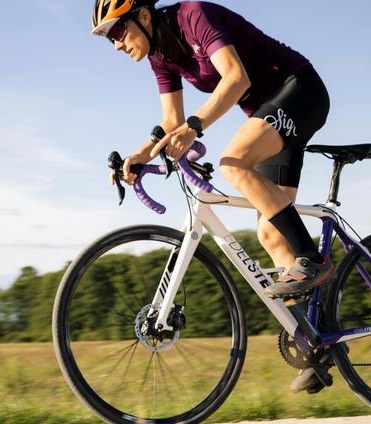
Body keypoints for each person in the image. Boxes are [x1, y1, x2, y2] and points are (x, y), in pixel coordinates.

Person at [91, 0, 333, 394]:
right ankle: (316, 345)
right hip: (269, 114)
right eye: (110, 40)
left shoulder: (192, 15)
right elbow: (171, 123)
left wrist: (196, 127)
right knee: (272, 236)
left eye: (118, 32)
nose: (117, 45)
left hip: (299, 90)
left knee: (233, 163)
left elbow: (235, 78)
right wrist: (139, 155)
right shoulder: (161, 55)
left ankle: (313, 260)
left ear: (145, 16)